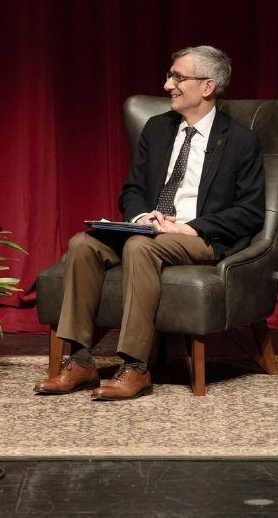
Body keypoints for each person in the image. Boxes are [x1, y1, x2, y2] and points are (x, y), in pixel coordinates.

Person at [33, 45, 265, 400]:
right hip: (150, 228)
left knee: (142, 246)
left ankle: (136, 367)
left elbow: (250, 211)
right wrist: (143, 216)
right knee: (83, 243)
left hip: (198, 235)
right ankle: (80, 361)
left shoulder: (240, 141)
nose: (168, 84)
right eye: (170, 75)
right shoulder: (157, 130)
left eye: (177, 77)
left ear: (207, 86)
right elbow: (133, 190)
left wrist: (191, 226)